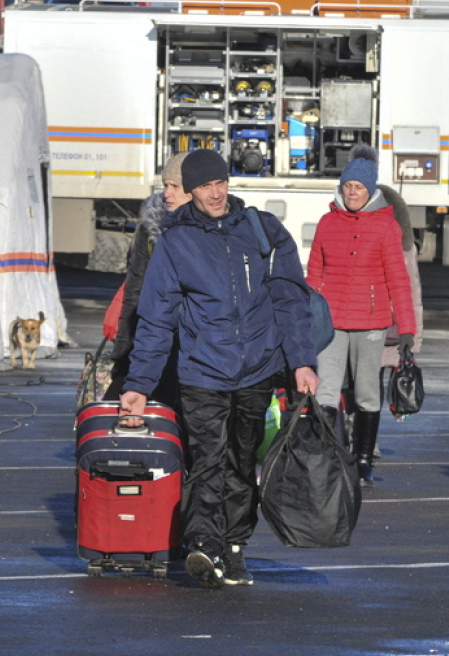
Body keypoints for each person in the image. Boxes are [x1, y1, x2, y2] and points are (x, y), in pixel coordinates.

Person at [119, 149, 320, 588]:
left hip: (257, 369)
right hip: (202, 372)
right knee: (208, 461)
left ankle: (233, 547)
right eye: (206, 186)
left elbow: (291, 300)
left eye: (221, 183)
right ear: (189, 191)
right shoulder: (176, 242)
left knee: (242, 462)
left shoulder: (263, 230)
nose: (216, 192)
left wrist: (302, 361)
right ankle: (203, 544)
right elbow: (156, 319)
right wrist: (139, 383)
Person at [306, 145, 416, 487]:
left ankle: (364, 460)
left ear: (371, 191)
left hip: (371, 324)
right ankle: (326, 455)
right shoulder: (327, 223)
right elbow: (313, 276)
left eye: (359, 188)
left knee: (367, 393)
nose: (352, 193)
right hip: (333, 324)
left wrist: (408, 330)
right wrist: (305, 317)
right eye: (348, 186)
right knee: (325, 393)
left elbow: (399, 280)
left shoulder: (386, 227)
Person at [103, 152, 190, 406]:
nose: (167, 193)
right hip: (151, 338)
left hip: (194, 350)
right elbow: (134, 289)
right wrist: (123, 351)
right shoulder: (151, 227)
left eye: (175, 186)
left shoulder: (214, 231)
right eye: (165, 185)